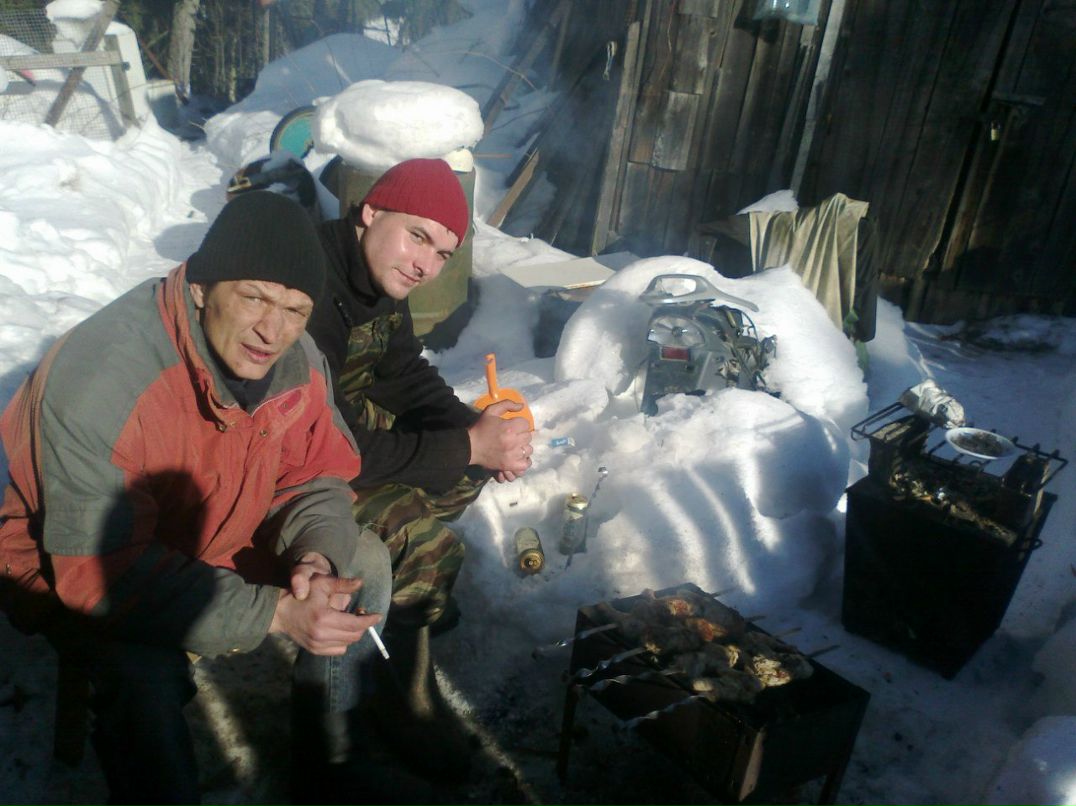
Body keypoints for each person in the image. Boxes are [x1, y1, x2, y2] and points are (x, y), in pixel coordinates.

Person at [0, 192, 399, 805]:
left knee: (360, 561)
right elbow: (98, 574)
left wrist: (314, 557)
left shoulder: (296, 358)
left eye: (295, 309)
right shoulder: (106, 378)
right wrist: (273, 612)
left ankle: (333, 756)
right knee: (142, 676)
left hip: (217, 520)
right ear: (200, 287)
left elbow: (317, 473)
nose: (274, 330)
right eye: (255, 298)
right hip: (80, 563)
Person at [307, 157, 533, 778]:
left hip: (340, 434)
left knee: (463, 468)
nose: (425, 264)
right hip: (288, 464)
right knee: (413, 529)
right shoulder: (309, 286)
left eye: (442, 253)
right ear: (370, 212)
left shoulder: (381, 278)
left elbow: (403, 371)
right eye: (418, 236)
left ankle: (410, 608)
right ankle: (399, 693)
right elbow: (335, 447)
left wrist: (472, 432)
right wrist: (468, 445)